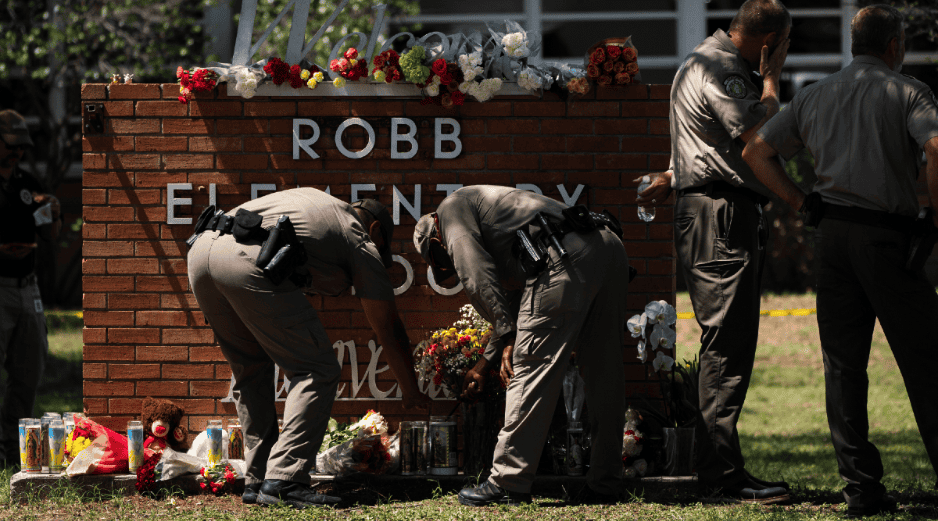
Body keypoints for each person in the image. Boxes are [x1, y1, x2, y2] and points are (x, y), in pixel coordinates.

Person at [742, 5, 938, 517]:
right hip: (888, 240)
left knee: (843, 368)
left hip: (832, 239)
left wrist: (803, 202)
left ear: (854, 44)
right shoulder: (909, 92)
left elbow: (756, 153)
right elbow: (936, 147)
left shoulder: (814, 95)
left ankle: (861, 489)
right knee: (927, 362)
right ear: (895, 45)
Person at [636, 0, 792, 503]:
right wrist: (771, 81)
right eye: (784, 45)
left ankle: (720, 468)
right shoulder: (727, 69)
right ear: (769, 42)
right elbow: (760, 137)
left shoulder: (698, 61)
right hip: (722, 217)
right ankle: (721, 475)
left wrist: (673, 177)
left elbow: (706, 149)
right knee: (727, 344)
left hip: (709, 212)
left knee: (724, 342)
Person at [187, 188, 429, 509]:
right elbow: (388, 326)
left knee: (251, 368)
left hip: (201, 251)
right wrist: (411, 392)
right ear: (375, 230)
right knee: (317, 368)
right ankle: (285, 480)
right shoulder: (358, 236)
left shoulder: (317, 205)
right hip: (244, 259)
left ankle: (257, 478)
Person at [413, 185, 629, 505]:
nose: (445, 267)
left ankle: (508, 480)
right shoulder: (498, 223)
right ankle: (606, 482)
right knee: (603, 372)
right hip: (608, 248)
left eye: (439, 259)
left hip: (564, 255)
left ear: (436, 241)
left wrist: (512, 338)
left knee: (530, 366)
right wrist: (484, 364)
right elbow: (514, 298)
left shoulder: (450, 211)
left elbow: (476, 274)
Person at [0, 109, 62, 468]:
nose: (17, 153)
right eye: (11, 146)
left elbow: (49, 236)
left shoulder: (27, 182)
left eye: (22, 147)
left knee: (30, 369)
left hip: (29, 286)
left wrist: (53, 211)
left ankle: (12, 444)